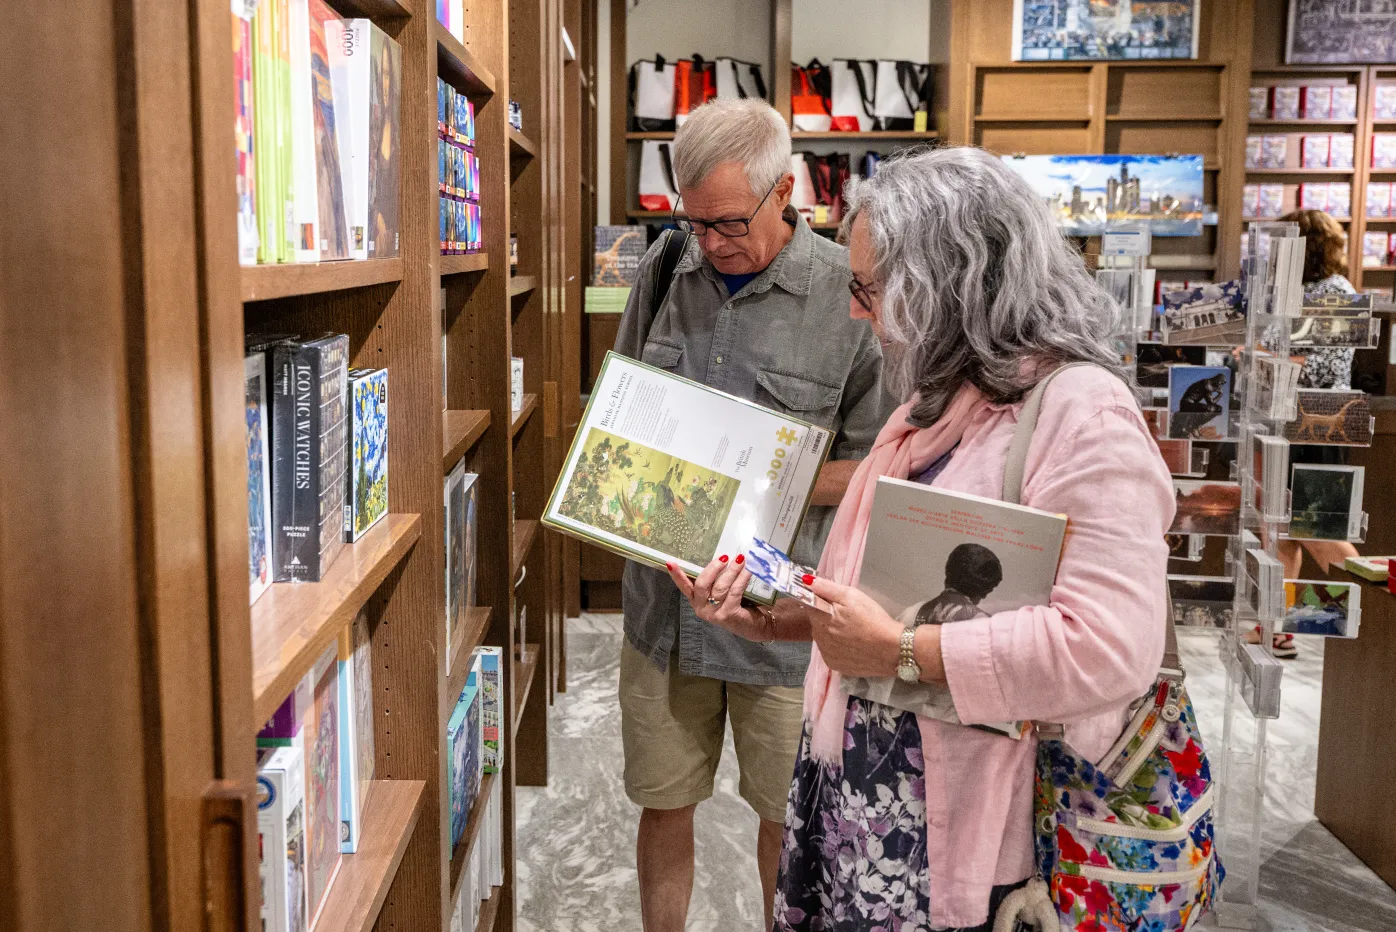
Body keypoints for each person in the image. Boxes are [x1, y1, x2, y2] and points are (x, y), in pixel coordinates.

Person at [665, 146, 1175, 931]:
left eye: (870, 288)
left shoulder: (1082, 415)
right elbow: (876, 597)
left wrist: (904, 653)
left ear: (950, 283)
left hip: (968, 833)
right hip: (864, 809)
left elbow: (1109, 647)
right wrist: (780, 615)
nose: (855, 312)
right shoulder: (932, 403)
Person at [612, 98, 889, 932]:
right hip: (665, 609)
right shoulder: (666, 271)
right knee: (664, 802)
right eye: (693, 221)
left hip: (784, 614)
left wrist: (766, 481)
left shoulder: (850, 296)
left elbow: (883, 466)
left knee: (787, 817)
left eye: (729, 222)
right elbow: (621, 410)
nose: (712, 242)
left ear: (786, 191)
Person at [1252, 209, 1362, 657]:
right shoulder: (1296, 292)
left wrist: (1261, 356)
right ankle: (1276, 627)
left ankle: (1376, 605)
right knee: (1281, 533)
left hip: (1317, 421)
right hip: (1288, 420)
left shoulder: (1334, 293)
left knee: (1316, 529)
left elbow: (1317, 368)